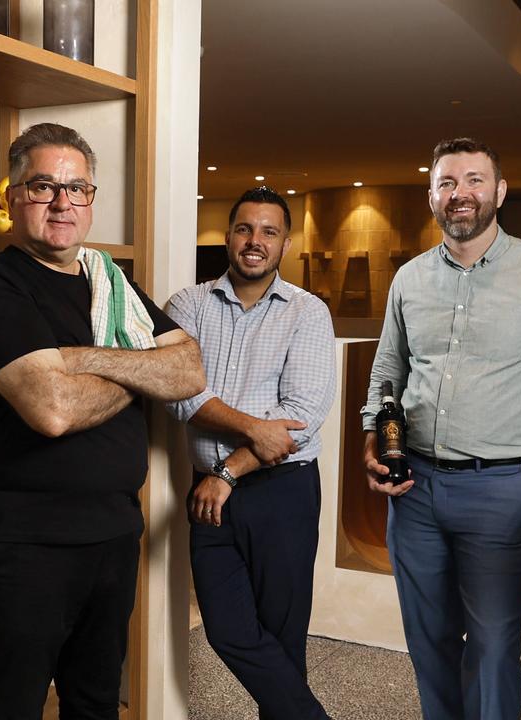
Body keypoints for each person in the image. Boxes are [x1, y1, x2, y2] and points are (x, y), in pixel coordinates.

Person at [0, 122, 205, 719]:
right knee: (10, 706)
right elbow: (54, 411)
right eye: (44, 187)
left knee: (94, 703)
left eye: (78, 189)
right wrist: (144, 371)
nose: (63, 203)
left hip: (112, 536)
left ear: (92, 199)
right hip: (24, 545)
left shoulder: (110, 282)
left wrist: (85, 359)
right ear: (13, 197)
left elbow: (190, 370)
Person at [362, 138, 521, 719]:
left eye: (474, 180)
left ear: (499, 191)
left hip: (503, 488)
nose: (460, 194)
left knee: (495, 646)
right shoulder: (409, 279)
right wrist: (374, 440)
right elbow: (387, 372)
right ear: (432, 198)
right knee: (429, 642)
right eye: (447, 183)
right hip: (414, 489)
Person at [165, 186, 336, 719]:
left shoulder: (308, 313)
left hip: (281, 492)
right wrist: (250, 433)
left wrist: (229, 470)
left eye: (269, 231)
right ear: (228, 236)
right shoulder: (187, 305)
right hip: (208, 492)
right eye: (244, 228)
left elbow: (300, 418)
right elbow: (179, 395)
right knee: (228, 629)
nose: (254, 241)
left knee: (283, 638)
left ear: (285, 243)